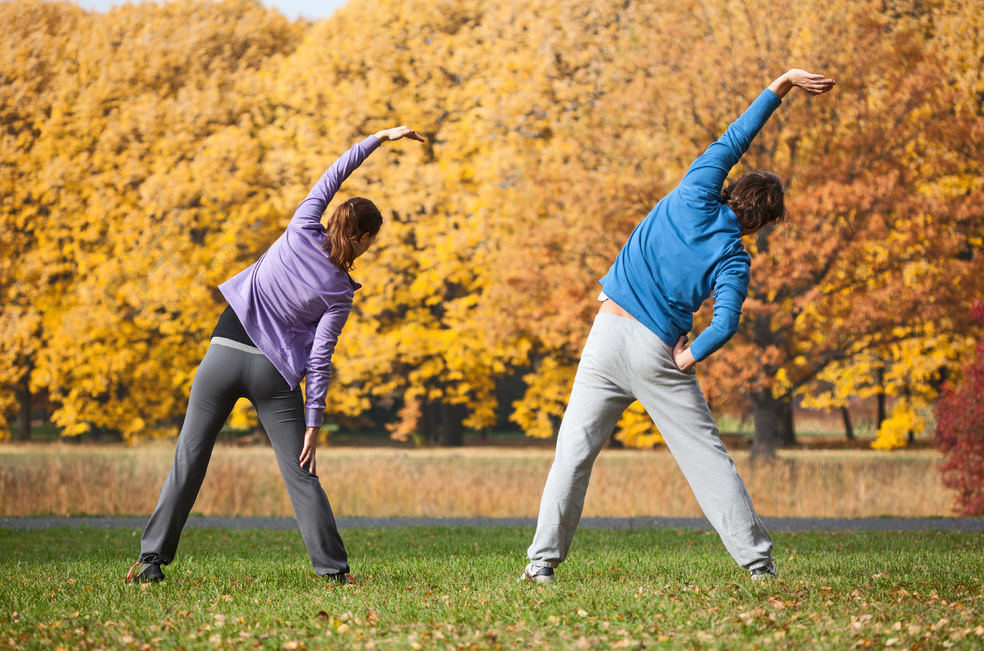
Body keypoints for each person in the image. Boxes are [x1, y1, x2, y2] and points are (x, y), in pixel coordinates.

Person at [520, 69, 835, 584]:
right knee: (706, 459)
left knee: (572, 456)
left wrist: (783, 83)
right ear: (760, 222)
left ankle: (541, 566)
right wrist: (688, 359)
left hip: (605, 335)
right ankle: (758, 565)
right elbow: (726, 323)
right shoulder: (734, 256)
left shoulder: (696, 188)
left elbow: (737, 134)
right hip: (655, 351)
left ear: (732, 186)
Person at [127, 125, 425, 585]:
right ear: (363, 238)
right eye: (372, 242)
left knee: (189, 456)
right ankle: (333, 572)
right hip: (273, 372)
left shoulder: (302, 224)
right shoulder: (341, 291)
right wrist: (313, 423)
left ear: (332, 221)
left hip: (223, 352)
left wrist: (379, 138)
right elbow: (321, 360)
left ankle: (150, 563)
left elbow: (335, 173)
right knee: (301, 473)